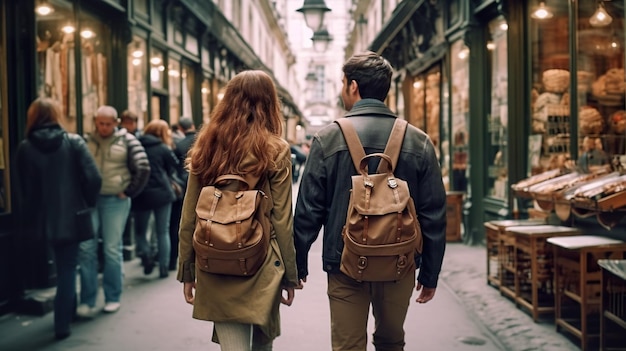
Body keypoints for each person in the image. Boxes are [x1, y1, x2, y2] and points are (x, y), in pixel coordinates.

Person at [294, 52, 447, 351]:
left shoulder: (327, 139)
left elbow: (308, 211)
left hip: (344, 263)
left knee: (347, 345)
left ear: (353, 86)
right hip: (399, 263)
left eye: (341, 83)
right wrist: (430, 273)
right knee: (391, 341)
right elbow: (433, 213)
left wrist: (297, 263)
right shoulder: (418, 141)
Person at [177, 70, 298, 350]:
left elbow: (189, 215)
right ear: (270, 103)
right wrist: (290, 274)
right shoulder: (275, 149)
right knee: (262, 343)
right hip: (261, 259)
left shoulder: (206, 145)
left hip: (214, 257)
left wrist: (187, 270)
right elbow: (282, 219)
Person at [15, 98, 102, 340]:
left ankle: (67, 313)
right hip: (71, 218)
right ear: (56, 115)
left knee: (60, 270)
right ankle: (63, 323)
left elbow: (24, 191)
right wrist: (86, 203)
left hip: (40, 223)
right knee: (66, 270)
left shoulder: (25, 147)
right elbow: (94, 178)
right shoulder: (73, 142)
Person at [78, 105, 150, 317]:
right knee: (86, 249)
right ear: (95, 122)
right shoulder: (87, 141)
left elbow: (143, 167)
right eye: (100, 123)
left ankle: (112, 297)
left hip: (115, 201)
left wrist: (128, 191)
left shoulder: (127, 140)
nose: (104, 127)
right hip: (90, 200)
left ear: (116, 122)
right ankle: (87, 300)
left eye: (108, 123)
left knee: (111, 249)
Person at [133, 119, 180, 278]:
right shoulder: (162, 148)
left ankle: (146, 254)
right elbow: (174, 165)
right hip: (162, 193)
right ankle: (163, 267)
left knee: (140, 231)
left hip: (141, 193)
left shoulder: (136, 145)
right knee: (163, 231)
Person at [169, 116, 196, 271]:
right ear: (192, 125)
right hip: (203, 189)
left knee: (180, 223)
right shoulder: (205, 141)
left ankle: (176, 261)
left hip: (183, 187)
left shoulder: (179, 145)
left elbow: (173, 167)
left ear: (180, 128)